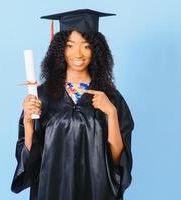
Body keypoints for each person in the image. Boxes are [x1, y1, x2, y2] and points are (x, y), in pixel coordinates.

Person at [11, 9, 134, 200]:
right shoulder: (42, 96)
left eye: (86, 46)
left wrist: (111, 113)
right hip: (53, 191)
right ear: (61, 50)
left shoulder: (111, 98)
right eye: (70, 45)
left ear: (96, 50)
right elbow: (31, 164)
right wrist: (28, 123)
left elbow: (118, 161)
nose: (78, 53)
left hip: (96, 191)